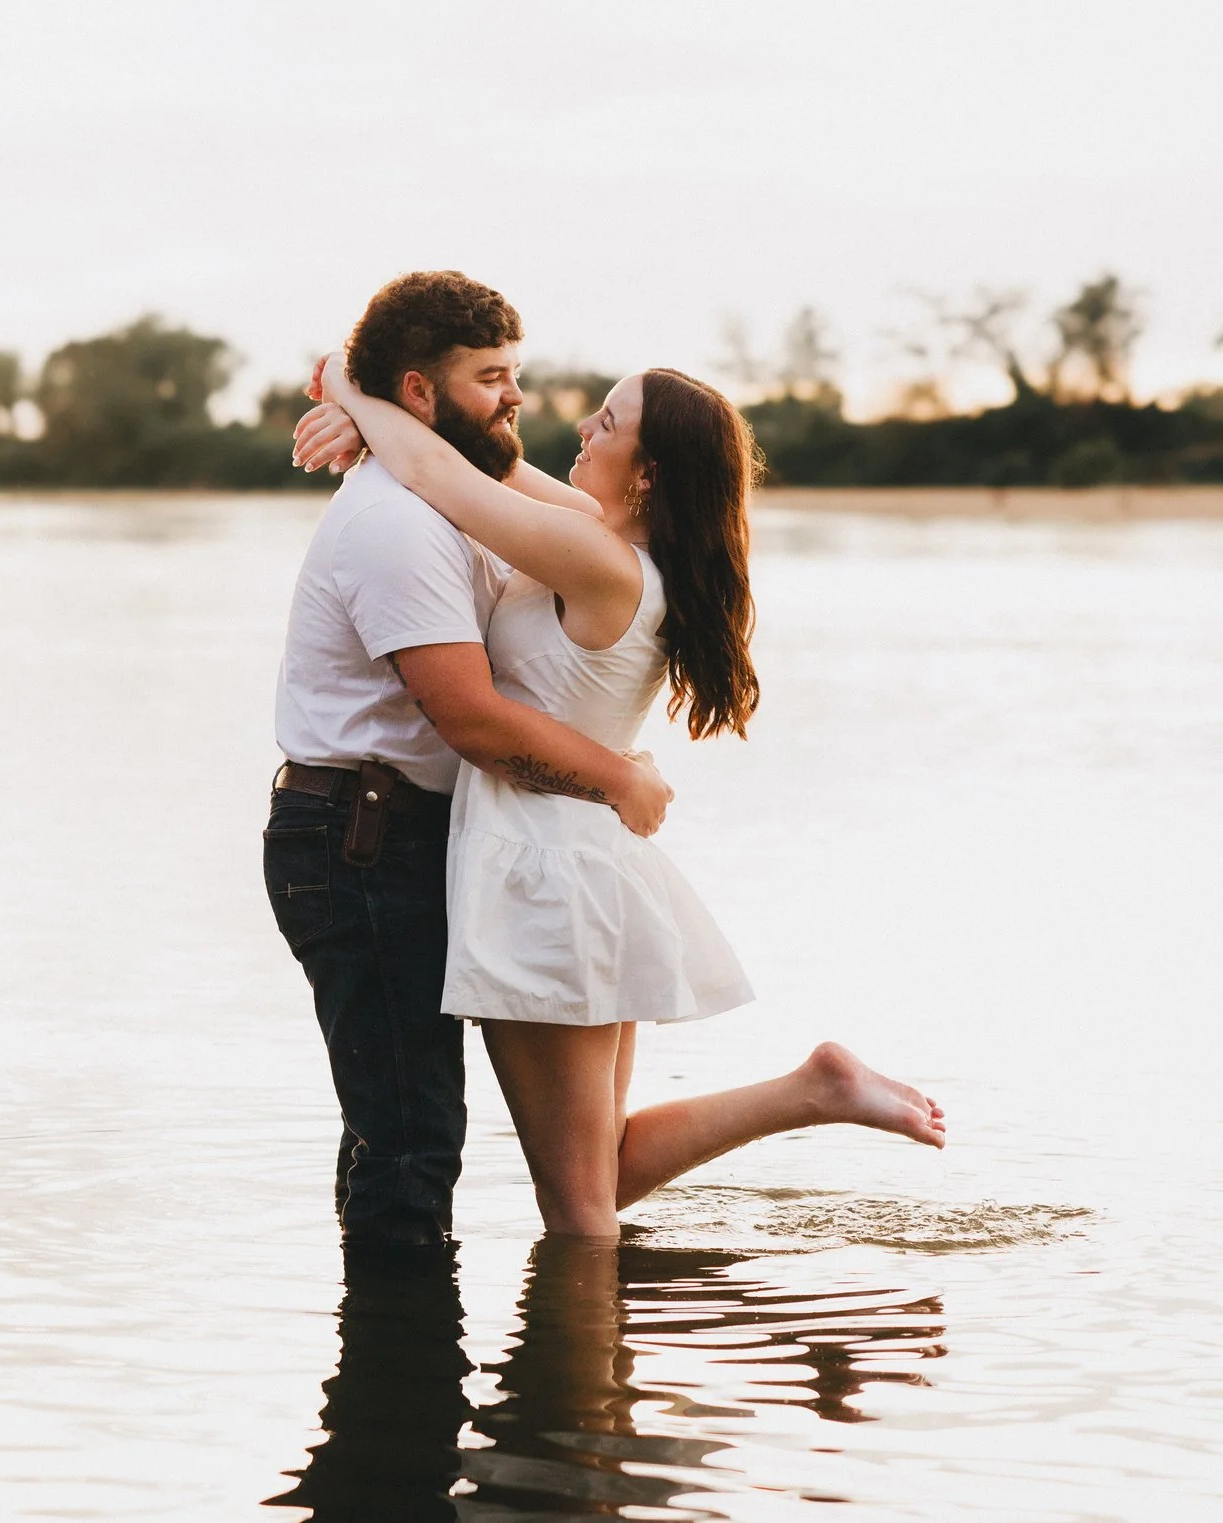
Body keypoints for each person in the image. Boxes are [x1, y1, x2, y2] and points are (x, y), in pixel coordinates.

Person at [293, 355, 946, 1239]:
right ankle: (812, 1087)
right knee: (597, 1174)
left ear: (645, 473)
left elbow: (435, 473)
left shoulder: (595, 557)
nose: (580, 432)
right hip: (582, 864)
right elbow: (476, 461)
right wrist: (357, 403)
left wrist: (355, 391)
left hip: (542, 875)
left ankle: (585, 1379)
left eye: (606, 423)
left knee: (579, 1217)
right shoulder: (618, 546)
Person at [265, 271, 674, 1253]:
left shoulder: (466, 492)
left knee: (411, 1133)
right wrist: (619, 777)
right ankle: (400, 1383)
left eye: (514, 374)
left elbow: (457, 471)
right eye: (492, 377)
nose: (518, 398)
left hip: (415, 835)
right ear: (420, 391)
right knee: (408, 1138)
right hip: (358, 835)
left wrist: (344, 388)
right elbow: (471, 719)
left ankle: (406, 1371)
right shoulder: (402, 520)